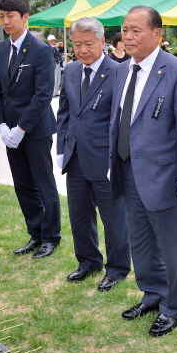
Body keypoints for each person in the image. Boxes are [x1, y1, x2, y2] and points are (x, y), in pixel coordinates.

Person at [108, 5, 177, 337]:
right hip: (128, 168)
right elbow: (117, 121)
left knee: (172, 245)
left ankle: (174, 305)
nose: (128, 36)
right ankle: (152, 294)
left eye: (136, 30)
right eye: (125, 30)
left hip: (164, 175)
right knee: (141, 240)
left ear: (157, 34)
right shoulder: (120, 70)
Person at [56, 17, 131, 291]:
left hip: (105, 157)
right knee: (79, 213)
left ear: (102, 42)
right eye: (77, 44)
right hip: (75, 155)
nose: (83, 49)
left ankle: (117, 268)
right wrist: (61, 149)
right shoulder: (71, 70)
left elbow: (121, 119)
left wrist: (118, 158)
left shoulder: (119, 71)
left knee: (113, 217)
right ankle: (88, 261)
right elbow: (64, 113)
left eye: (89, 43)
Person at [0, 0, 61, 259]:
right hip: (10, 131)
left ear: (25, 17)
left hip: (35, 130)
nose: (5, 21)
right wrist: (1, 125)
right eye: (1, 16)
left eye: (10, 16)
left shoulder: (42, 50)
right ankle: (36, 233)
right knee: (22, 184)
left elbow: (43, 94)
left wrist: (21, 128)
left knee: (44, 184)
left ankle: (51, 237)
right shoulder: (0, 49)